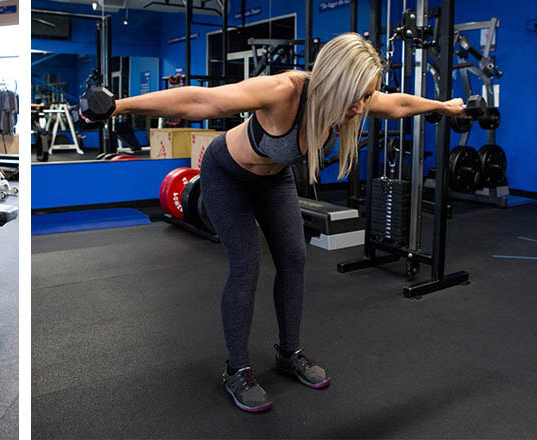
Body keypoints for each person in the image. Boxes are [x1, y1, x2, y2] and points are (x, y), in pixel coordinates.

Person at [102, 33, 465, 412]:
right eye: (357, 96)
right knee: (246, 266)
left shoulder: (354, 100)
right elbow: (200, 99)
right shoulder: (283, 90)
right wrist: (118, 106)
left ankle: (289, 353)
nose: (361, 107)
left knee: (294, 259)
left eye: (366, 96)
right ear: (334, 82)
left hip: (273, 179)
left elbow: (397, 104)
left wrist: (441, 105)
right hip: (226, 173)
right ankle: (236, 369)